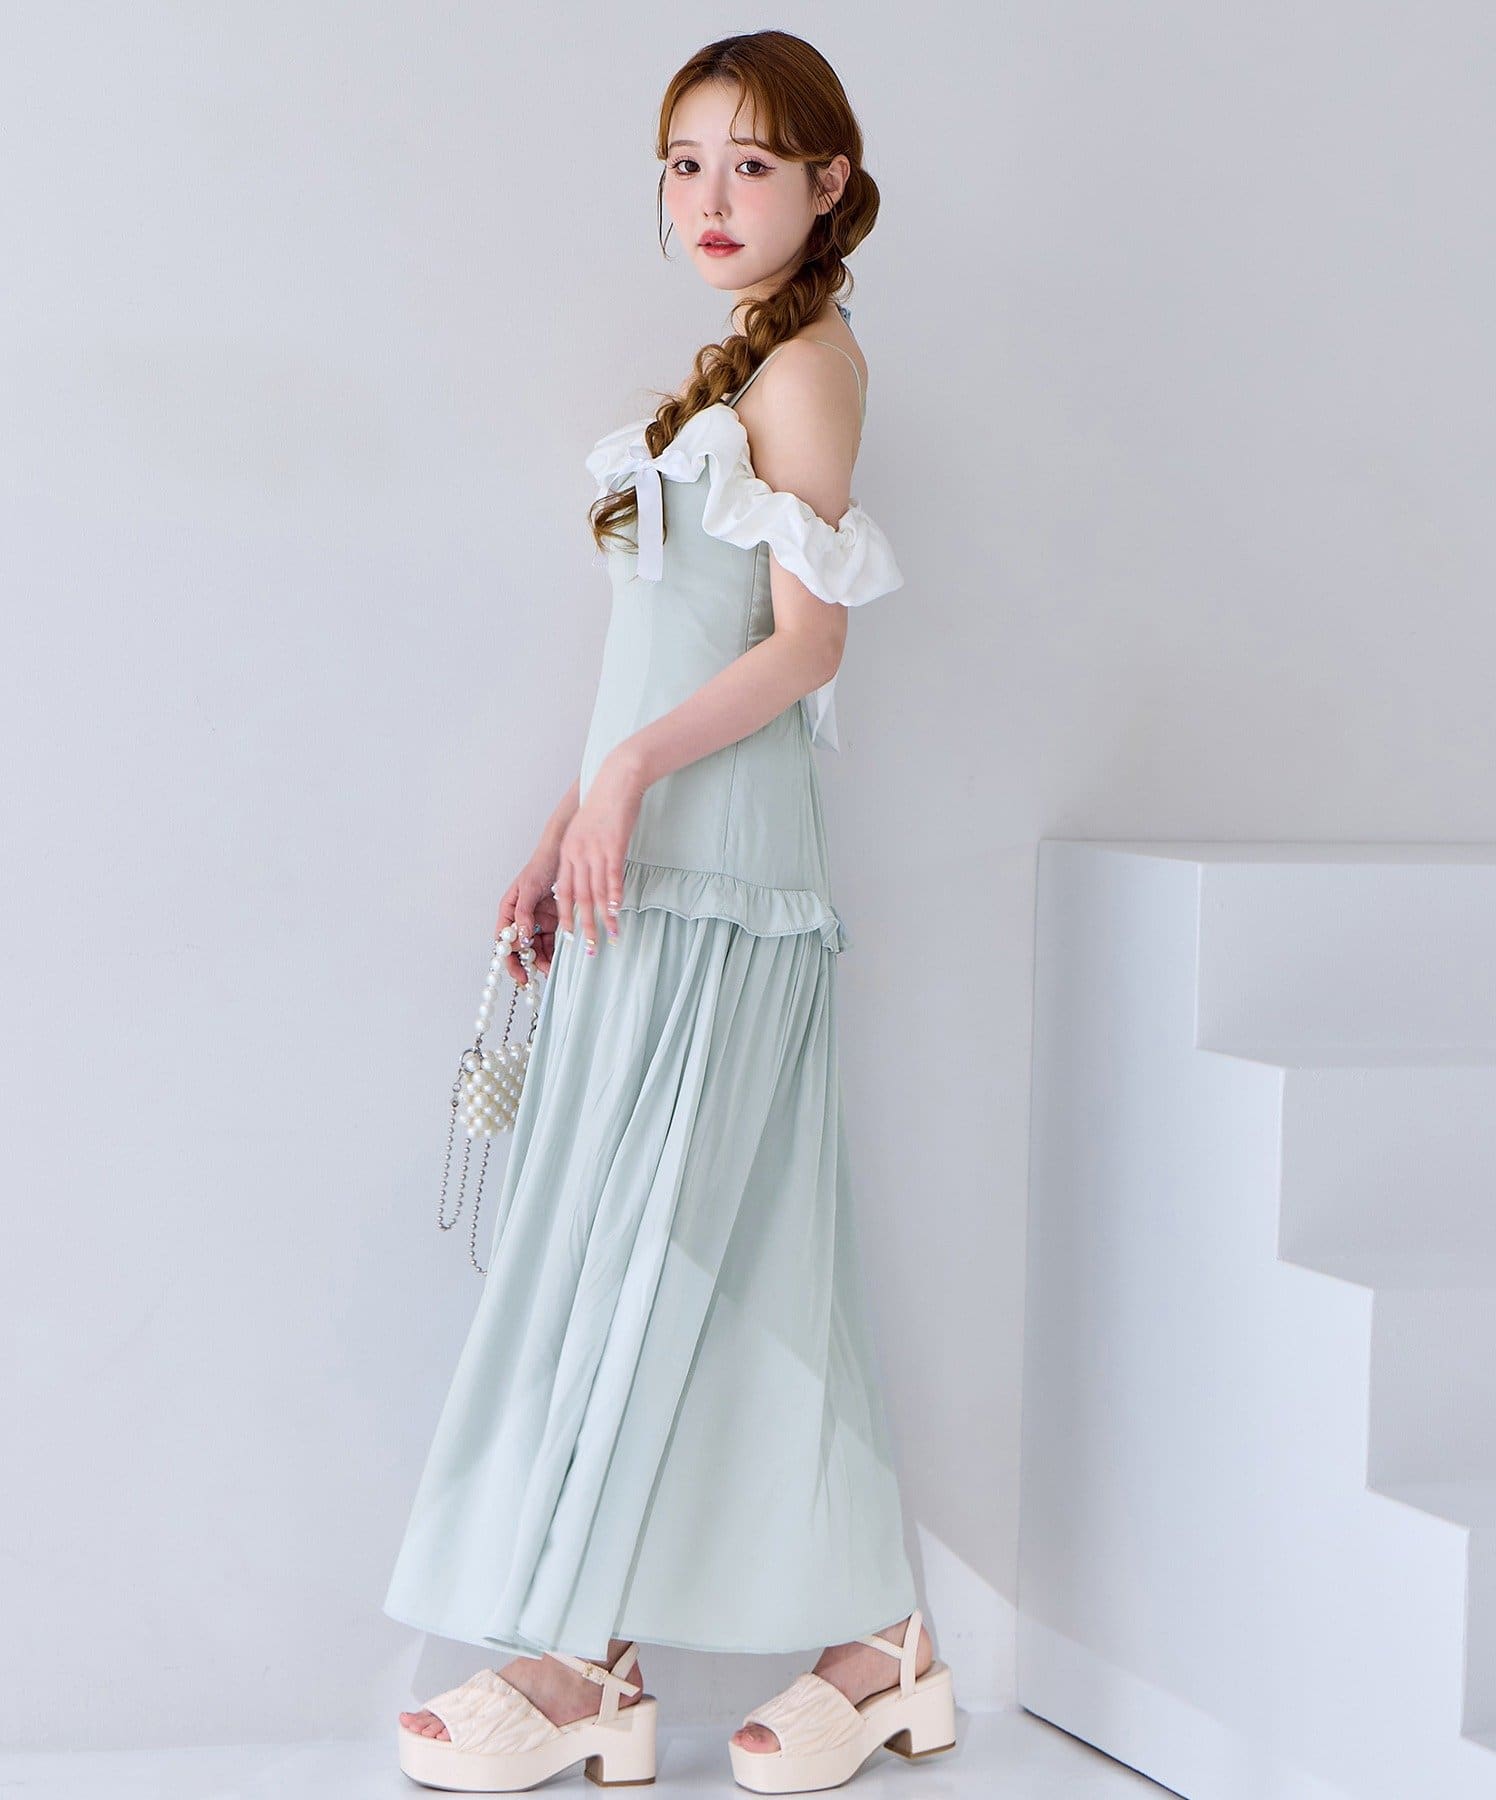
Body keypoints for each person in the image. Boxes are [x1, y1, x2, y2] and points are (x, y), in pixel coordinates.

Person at [385, 28, 956, 1793]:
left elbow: (809, 643)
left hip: (726, 881)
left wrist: (626, 781)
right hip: (655, 867)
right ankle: (861, 1646)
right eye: (685, 165)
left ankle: (587, 1659)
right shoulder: (741, 367)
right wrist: (569, 816)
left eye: (751, 164)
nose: (710, 198)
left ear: (828, 184)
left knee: (657, 1246)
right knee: (704, 1252)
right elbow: (666, 651)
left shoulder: (810, 368)